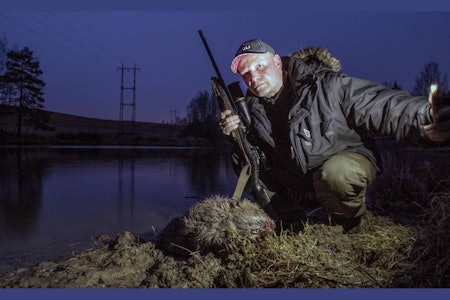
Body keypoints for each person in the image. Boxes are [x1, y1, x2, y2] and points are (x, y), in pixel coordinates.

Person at [219, 38, 450, 233]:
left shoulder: (328, 85)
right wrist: (236, 136)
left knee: (337, 173)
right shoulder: (251, 108)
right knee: (241, 158)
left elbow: (382, 105)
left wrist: (425, 116)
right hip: (302, 179)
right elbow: (258, 161)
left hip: (345, 163)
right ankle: (289, 219)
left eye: (259, 66)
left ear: (277, 61)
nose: (253, 77)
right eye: (245, 73)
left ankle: (348, 224)